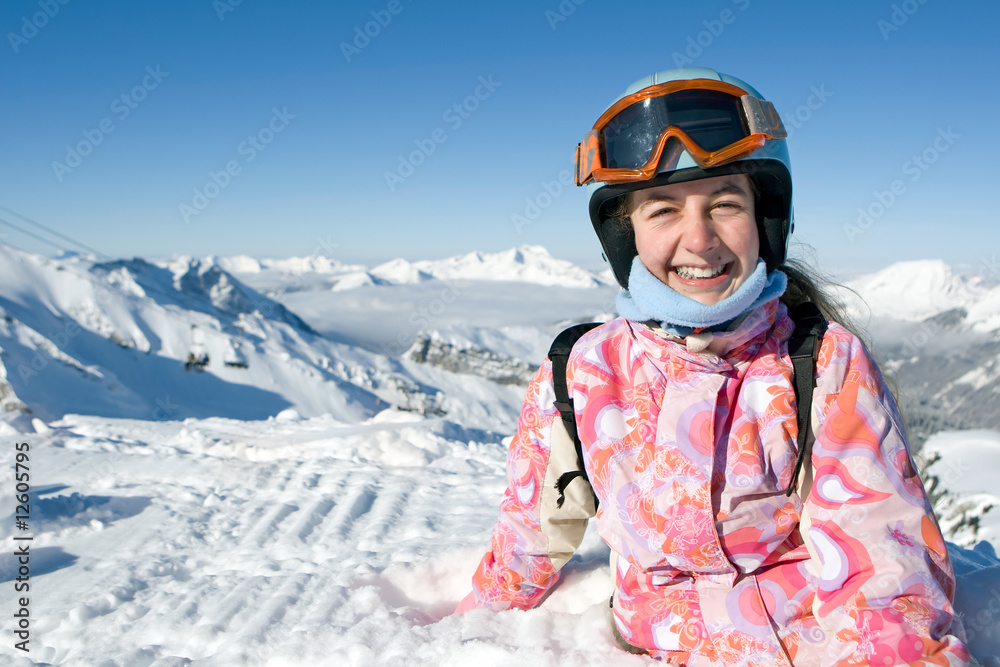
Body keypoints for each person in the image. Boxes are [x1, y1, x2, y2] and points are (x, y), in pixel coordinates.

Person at [456, 67, 973, 665]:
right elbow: (531, 533)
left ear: (765, 219)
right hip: (647, 651)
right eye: (663, 210)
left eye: (725, 203)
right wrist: (465, 633)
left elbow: (883, 559)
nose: (699, 240)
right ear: (625, 236)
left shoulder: (819, 363)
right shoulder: (581, 372)